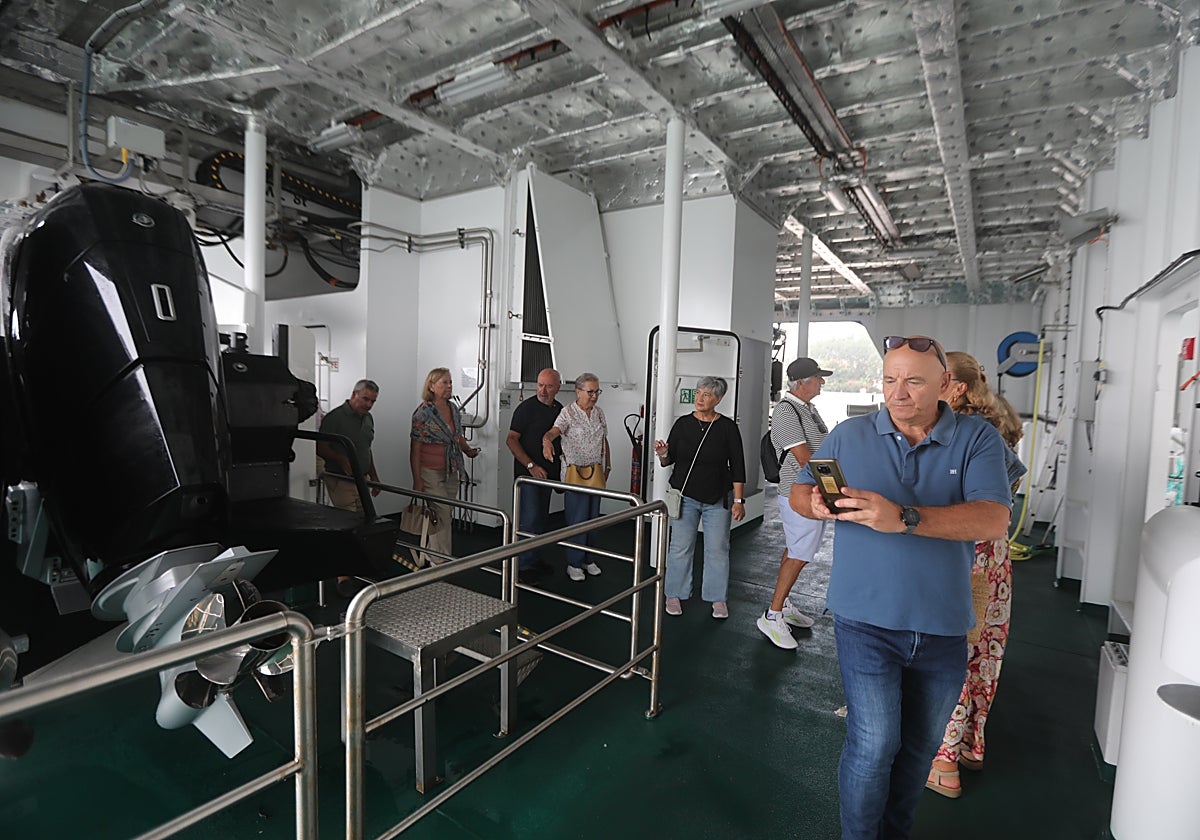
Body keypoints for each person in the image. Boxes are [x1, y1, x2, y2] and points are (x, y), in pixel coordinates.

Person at [790, 335, 1012, 839]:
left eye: (913, 380)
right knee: (873, 742)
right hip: (864, 618)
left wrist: (905, 518)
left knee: (918, 748)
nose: (899, 392)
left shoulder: (977, 439)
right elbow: (802, 487)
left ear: (945, 385)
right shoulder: (848, 434)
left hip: (942, 623)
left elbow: (994, 517)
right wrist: (814, 505)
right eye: (890, 380)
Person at [926, 351, 1027, 799]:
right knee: (984, 652)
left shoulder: (964, 434)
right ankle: (971, 744)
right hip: (995, 561)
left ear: (957, 387)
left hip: (964, 558)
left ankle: (944, 762)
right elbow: (1009, 490)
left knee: (949, 654)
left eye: (935, 380)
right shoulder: (999, 424)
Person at [653, 376, 747, 619]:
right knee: (680, 548)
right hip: (686, 496)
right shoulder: (682, 424)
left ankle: (717, 599)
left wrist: (738, 501)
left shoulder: (727, 427)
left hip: (718, 498)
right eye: (698, 393)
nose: (700, 398)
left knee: (718, 549)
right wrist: (663, 454)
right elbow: (668, 461)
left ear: (718, 399)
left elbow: (738, 465)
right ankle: (674, 594)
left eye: (707, 395)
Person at [757, 357, 832, 649]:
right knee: (800, 553)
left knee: (794, 549)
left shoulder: (808, 409)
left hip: (810, 490)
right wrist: (835, 487)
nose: (822, 382)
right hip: (798, 492)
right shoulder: (788, 412)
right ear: (801, 383)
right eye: (818, 377)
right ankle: (773, 615)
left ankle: (783, 604)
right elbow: (805, 459)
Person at [542, 372, 610, 581]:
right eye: (590, 391)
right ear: (578, 391)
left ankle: (589, 559)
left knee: (593, 517)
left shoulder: (598, 413)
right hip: (574, 472)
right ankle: (574, 562)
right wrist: (546, 440)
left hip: (595, 470)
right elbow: (554, 432)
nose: (594, 396)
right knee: (577, 519)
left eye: (597, 391)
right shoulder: (567, 413)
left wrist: (608, 464)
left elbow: (604, 440)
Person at [410, 368, 479, 563]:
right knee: (441, 512)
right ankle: (441, 560)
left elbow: (456, 436)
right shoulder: (423, 413)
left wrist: (467, 450)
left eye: (450, 382)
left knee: (444, 512)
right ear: (431, 386)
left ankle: (433, 553)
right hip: (430, 471)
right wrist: (417, 480)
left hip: (451, 468)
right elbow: (415, 448)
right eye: (444, 383)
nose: (449, 386)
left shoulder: (453, 409)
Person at [505, 368, 563, 583]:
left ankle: (533, 558)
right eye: (540, 385)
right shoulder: (526, 409)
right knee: (528, 520)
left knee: (540, 520)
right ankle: (521, 567)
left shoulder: (559, 410)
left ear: (558, 387)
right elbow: (511, 440)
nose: (543, 390)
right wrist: (530, 465)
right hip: (527, 477)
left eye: (548, 386)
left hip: (546, 476)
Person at [317, 379, 381, 511]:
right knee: (348, 522)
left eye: (373, 401)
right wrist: (341, 458)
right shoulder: (334, 417)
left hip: (362, 480)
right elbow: (320, 448)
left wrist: (374, 477)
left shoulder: (368, 418)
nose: (369, 404)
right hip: (341, 480)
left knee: (365, 520)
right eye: (365, 399)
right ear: (354, 395)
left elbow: (366, 449)